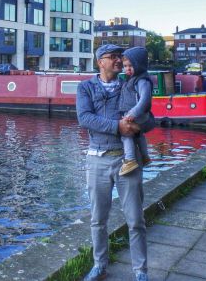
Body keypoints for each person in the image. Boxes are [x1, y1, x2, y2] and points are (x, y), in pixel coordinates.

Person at [76, 44, 148, 281]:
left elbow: (150, 118)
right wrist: (118, 126)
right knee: (98, 220)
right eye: (113, 57)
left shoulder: (132, 83)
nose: (119, 60)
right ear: (100, 62)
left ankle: (141, 272)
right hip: (97, 159)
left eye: (120, 56)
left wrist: (138, 127)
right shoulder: (85, 87)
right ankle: (100, 266)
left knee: (136, 220)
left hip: (128, 160)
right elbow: (84, 118)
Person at [118, 47, 155, 176]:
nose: (127, 69)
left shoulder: (142, 80)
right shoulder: (133, 78)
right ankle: (145, 156)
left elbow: (145, 99)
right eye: (125, 66)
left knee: (126, 133)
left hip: (137, 113)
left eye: (131, 66)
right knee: (139, 135)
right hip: (137, 114)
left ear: (139, 65)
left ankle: (130, 160)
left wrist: (132, 113)